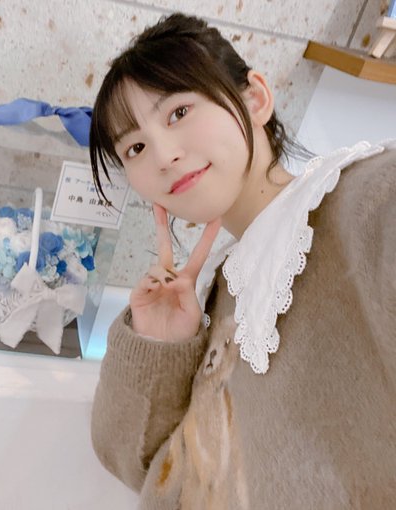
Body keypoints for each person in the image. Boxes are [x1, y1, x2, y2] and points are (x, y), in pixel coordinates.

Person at [88, 12, 396, 509]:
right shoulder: (214, 292)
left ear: (255, 99)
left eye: (179, 112)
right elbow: (134, 464)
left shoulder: (371, 202)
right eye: (135, 147)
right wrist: (159, 343)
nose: (162, 156)